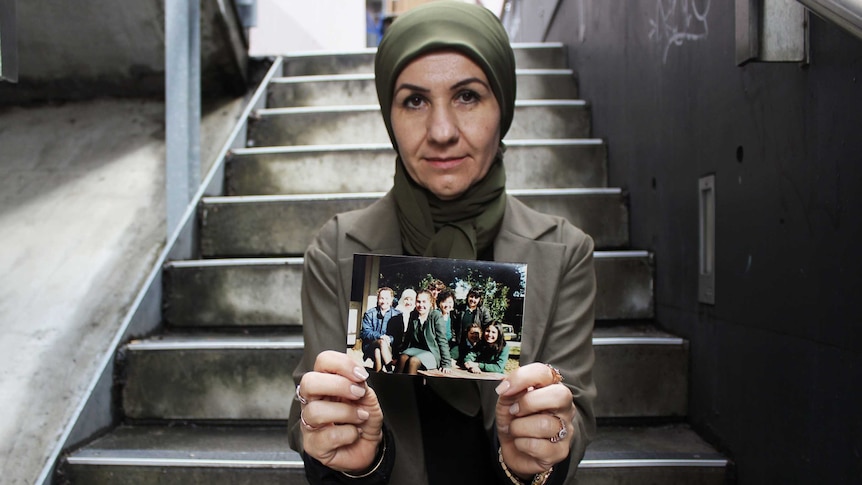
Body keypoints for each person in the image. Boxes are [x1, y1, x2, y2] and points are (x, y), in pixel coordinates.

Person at [289, 2, 596, 484]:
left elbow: (576, 415)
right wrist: (351, 453)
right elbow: (306, 413)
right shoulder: (336, 249)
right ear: (390, 117)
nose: (442, 132)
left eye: (468, 96)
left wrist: (539, 451)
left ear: (504, 109)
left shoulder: (564, 251)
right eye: (414, 101)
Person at [395, 290, 452, 374]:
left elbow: (442, 340)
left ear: (430, 303)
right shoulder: (413, 315)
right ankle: (395, 385)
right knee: (402, 358)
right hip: (415, 350)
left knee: (413, 361)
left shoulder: (436, 316)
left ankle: (412, 387)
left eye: (424, 302)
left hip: (431, 353)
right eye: (418, 302)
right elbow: (408, 337)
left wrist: (446, 363)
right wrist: (400, 352)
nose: (421, 305)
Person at [359, 287, 400, 372]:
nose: (384, 301)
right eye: (381, 298)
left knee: (377, 351)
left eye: (387, 298)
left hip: (390, 347)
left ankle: (378, 376)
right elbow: (365, 333)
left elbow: (398, 335)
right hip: (371, 345)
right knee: (381, 342)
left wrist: (389, 339)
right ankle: (389, 371)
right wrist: (381, 336)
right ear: (378, 299)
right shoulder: (370, 313)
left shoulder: (398, 315)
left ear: (392, 299)